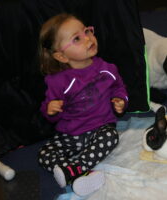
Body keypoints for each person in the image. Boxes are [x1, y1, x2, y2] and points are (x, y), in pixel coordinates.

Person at [37, 13, 128, 196]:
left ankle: (73, 169)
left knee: (111, 136)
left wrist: (121, 100)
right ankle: (80, 174)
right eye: (77, 38)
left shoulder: (107, 69)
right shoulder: (57, 81)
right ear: (61, 56)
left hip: (100, 128)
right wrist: (51, 109)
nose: (88, 38)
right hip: (70, 134)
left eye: (87, 31)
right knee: (44, 153)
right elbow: (50, 113)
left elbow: (119, 87)